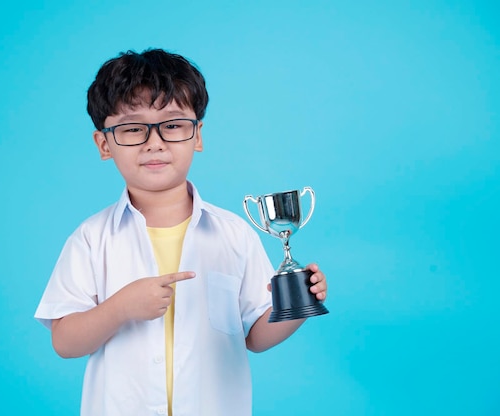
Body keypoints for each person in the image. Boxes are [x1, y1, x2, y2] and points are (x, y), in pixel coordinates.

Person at [34, 48, 328, 416]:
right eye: (132, 128)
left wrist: (297, 305)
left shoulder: (233, 234)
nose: (154, 142)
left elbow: (254, 336)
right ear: (104, 144)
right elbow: (64, 341)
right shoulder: (92, 238)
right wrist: (119, 308)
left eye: (172, 125)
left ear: (197, 135)